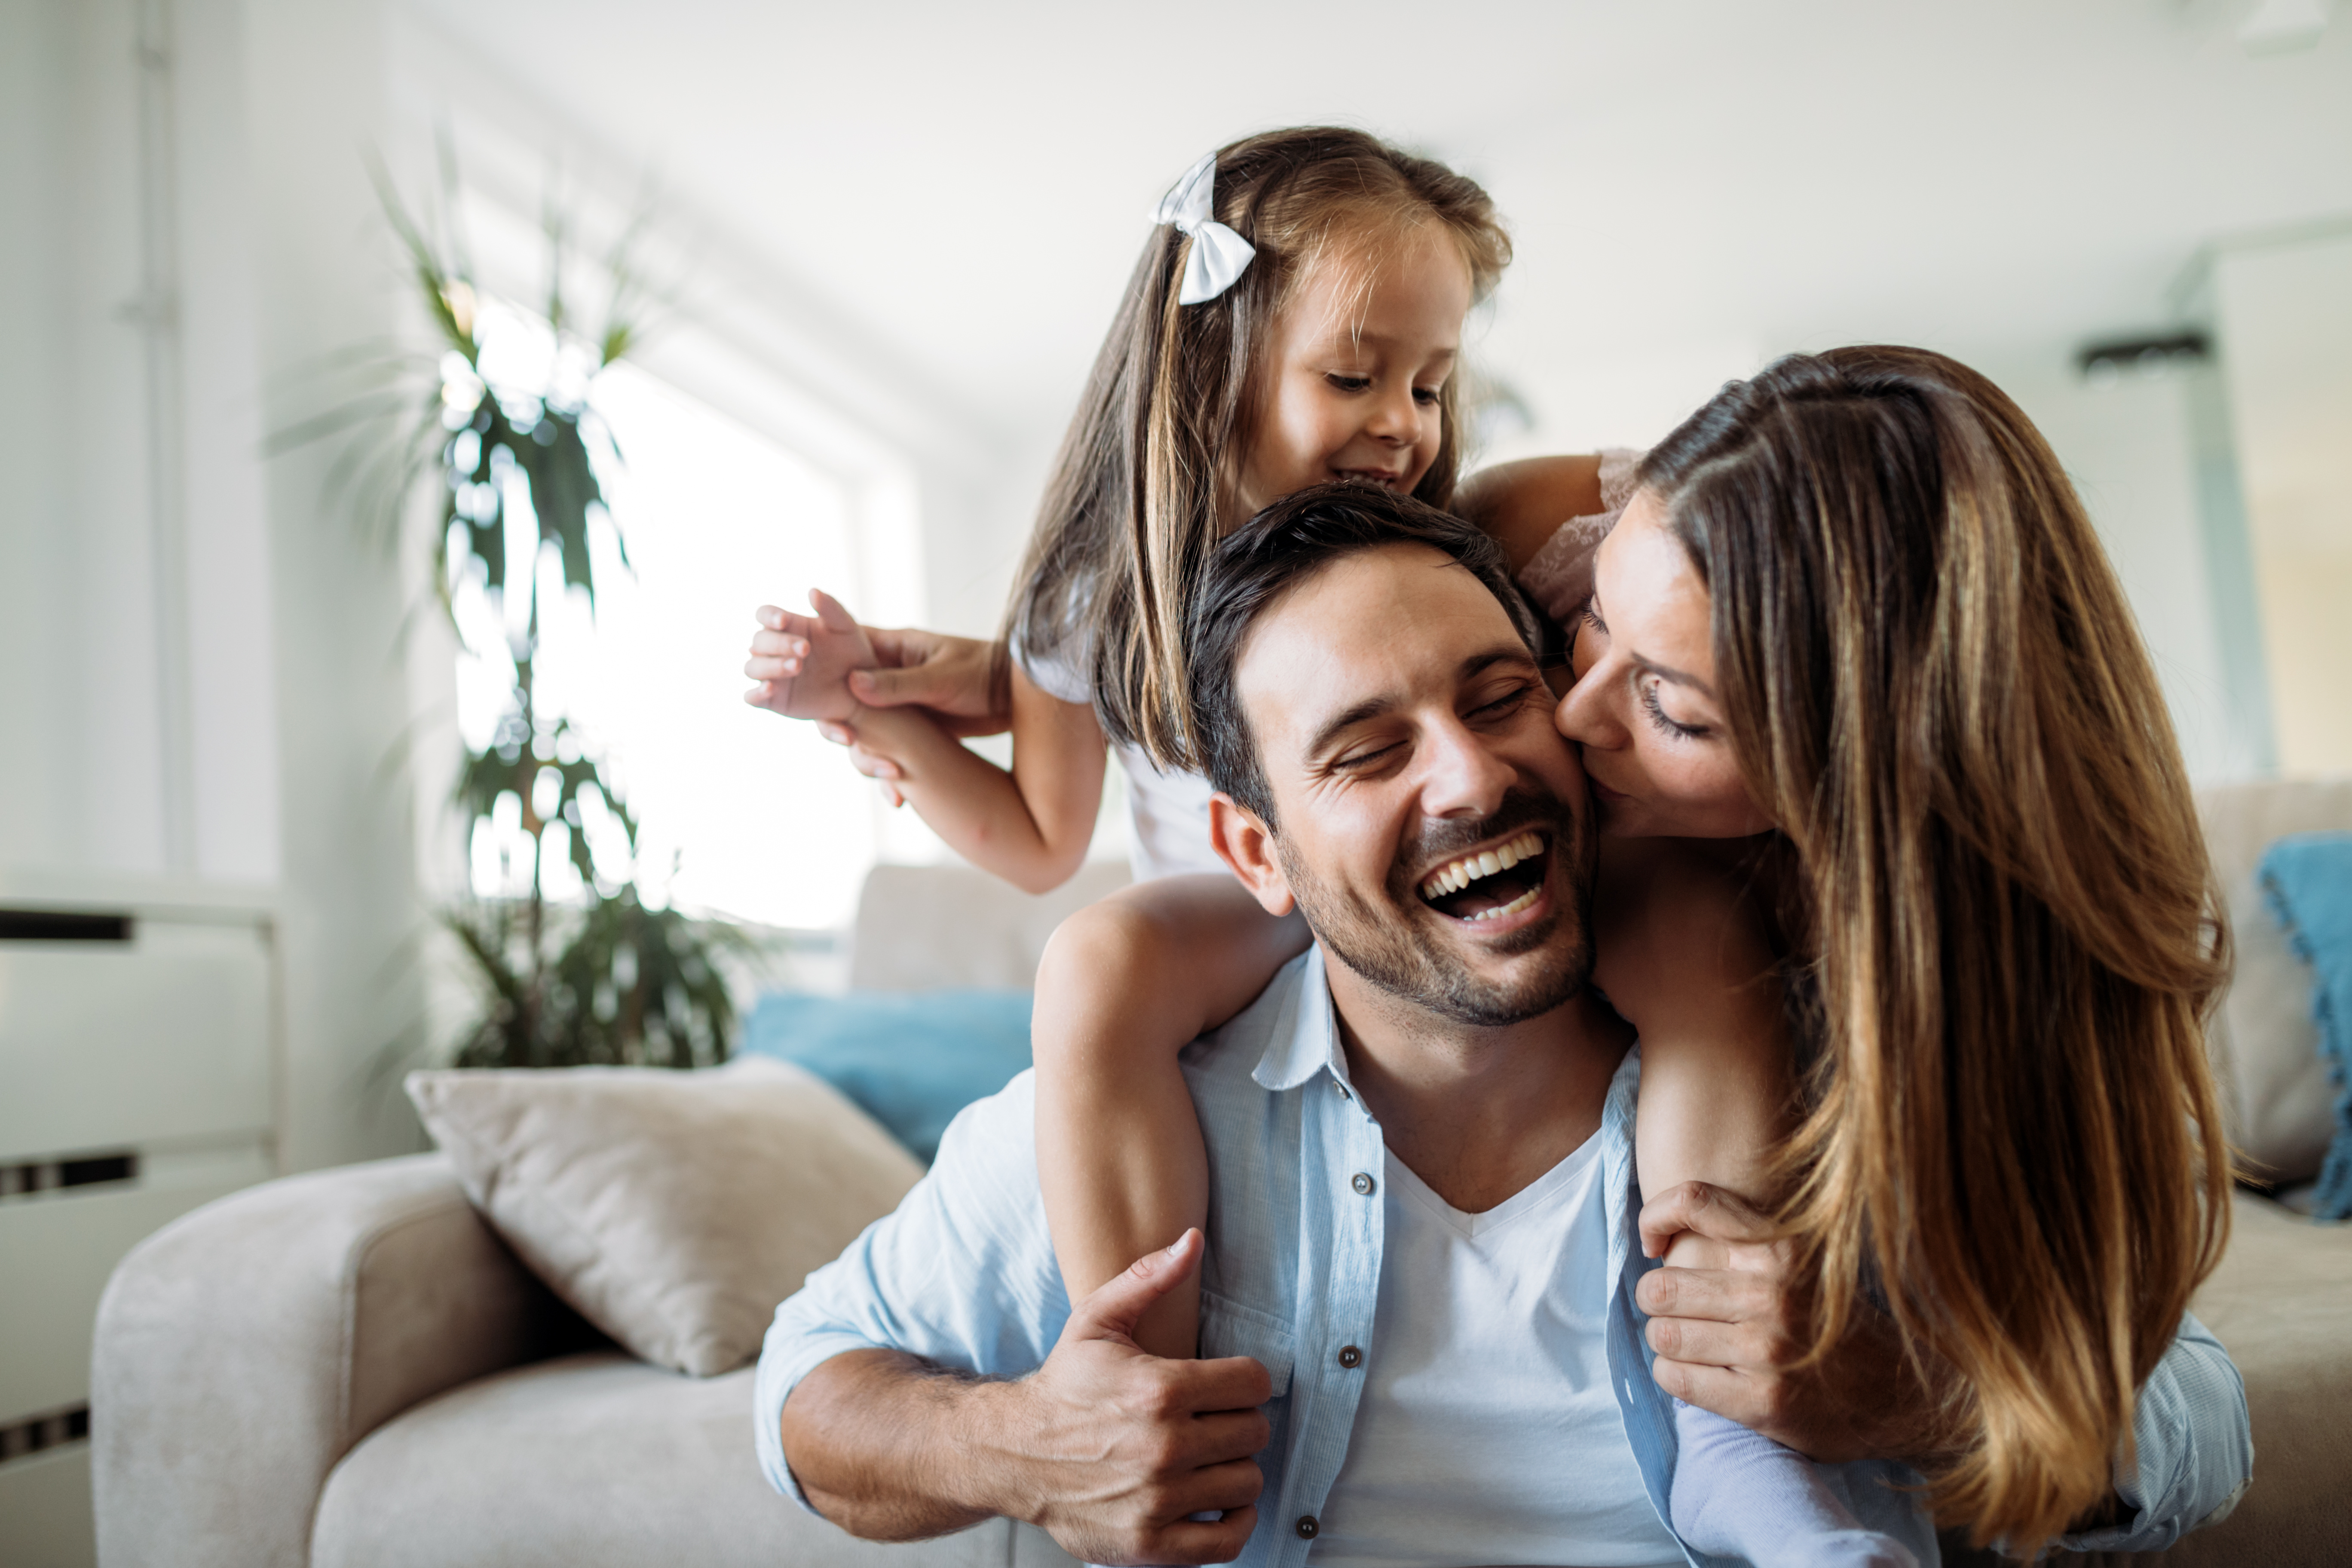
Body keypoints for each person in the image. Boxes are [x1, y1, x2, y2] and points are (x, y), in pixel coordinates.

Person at [754, 485, 2250, 1567]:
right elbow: (807, 1389)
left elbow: (2200, 1421)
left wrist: (1921, 1401)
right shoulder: (1137, 1108)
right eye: (1368, 750)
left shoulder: (1825, 1072)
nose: (1467, 780)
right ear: (1255, 850)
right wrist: (1017, 1448)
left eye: (1501, 696)